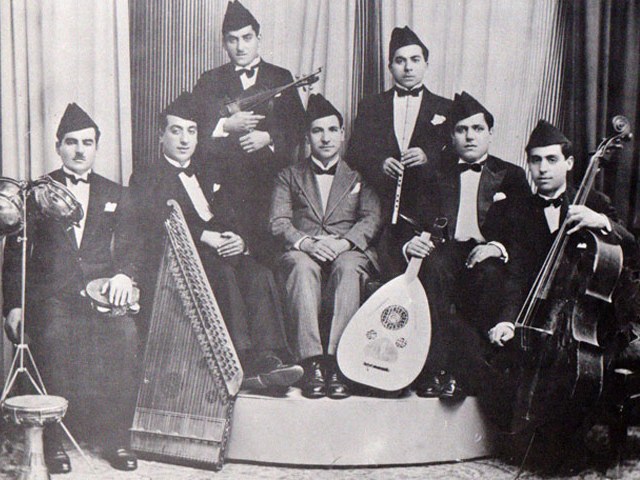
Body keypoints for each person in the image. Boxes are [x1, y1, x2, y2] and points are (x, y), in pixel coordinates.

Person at [129, 92, 303, 395]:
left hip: (221, 248)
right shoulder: (146, 176)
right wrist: (203, 236)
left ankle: (270, 356)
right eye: (176, 130)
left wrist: (239, 240)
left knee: (257, 271)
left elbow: (230, 213)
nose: (184, 140)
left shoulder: (210, 169)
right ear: (161, 136)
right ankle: (242, 359)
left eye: (192, 131)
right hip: (181, 256)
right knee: (221, 272)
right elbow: (152, 222)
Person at [2, 103, 140, 472]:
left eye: (88, 143)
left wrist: (124, 274)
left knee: (125, 336)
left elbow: (130, 247)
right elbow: (15, 253)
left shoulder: (117, 193)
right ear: (58, 146)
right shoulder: (37, 191)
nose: (80, 150)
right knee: (52, 334)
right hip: (51, 296)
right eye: (72, 142)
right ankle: (54, 443)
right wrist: (12, 306)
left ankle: (117, 441)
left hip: (99, 297)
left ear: (97, 147)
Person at [497, 120, 639, 471]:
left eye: (551, 160)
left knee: (572, 365)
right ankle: (536, 442)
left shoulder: (594, 201)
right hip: (543, 315)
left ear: (570, 163)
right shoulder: (520, 211)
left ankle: (566, 445)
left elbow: (632, 249)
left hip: (596, 320)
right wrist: (507, 319)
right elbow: (516, 276)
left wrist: (600, 221)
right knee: (512, 359)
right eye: (535, 161)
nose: (543, 169)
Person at [403, 91, 529, 400]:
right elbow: (416, 223)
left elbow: (524, 234)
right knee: (431, 270)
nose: (470, 137)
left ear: (490, 133)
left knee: (489, 275)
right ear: (452, 135)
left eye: (477, 129)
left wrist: (497, 247)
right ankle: (433, 369)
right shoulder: (435, 174)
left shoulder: (511, 175)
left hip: (486, 254)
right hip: (447, 251)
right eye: (462, 130)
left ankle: (470, 370)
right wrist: (412, 244)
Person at [270, 94, 382, 399]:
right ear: (307, 137)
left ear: (342, 134)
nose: (326, 138)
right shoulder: (288, 176)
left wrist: (343, 242)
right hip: (304, 250)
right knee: (301, 267)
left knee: (347, 268)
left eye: (332, 130)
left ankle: (338, 363)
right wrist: (305, 243)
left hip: (347, 251)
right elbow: (278, 221)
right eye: (318, 131)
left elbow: (371, 219)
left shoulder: (359, 177)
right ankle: (312, 363)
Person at [192, 0, 305, 265]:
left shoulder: (281, 76)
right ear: (224, 42)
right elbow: (194, 126)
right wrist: (226, 126)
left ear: (258, 38)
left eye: (247, 38)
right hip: (226, 190)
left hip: (272, 186)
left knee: (269, 260)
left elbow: (299, 126)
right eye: (232, 40)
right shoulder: (210, 80)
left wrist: (269, 137)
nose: (240, 47)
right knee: (231, 259)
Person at [347, 26, 452, 277]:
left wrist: (429, 157)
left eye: (415, 60)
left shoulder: (446, 108)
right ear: (390, 67)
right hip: (381, 211)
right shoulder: (371, 106)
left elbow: (456, 159)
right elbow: (354, 154)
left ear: (426, 64)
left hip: (427, 213)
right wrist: (380, 163)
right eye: (400, 61)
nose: (408, 68)